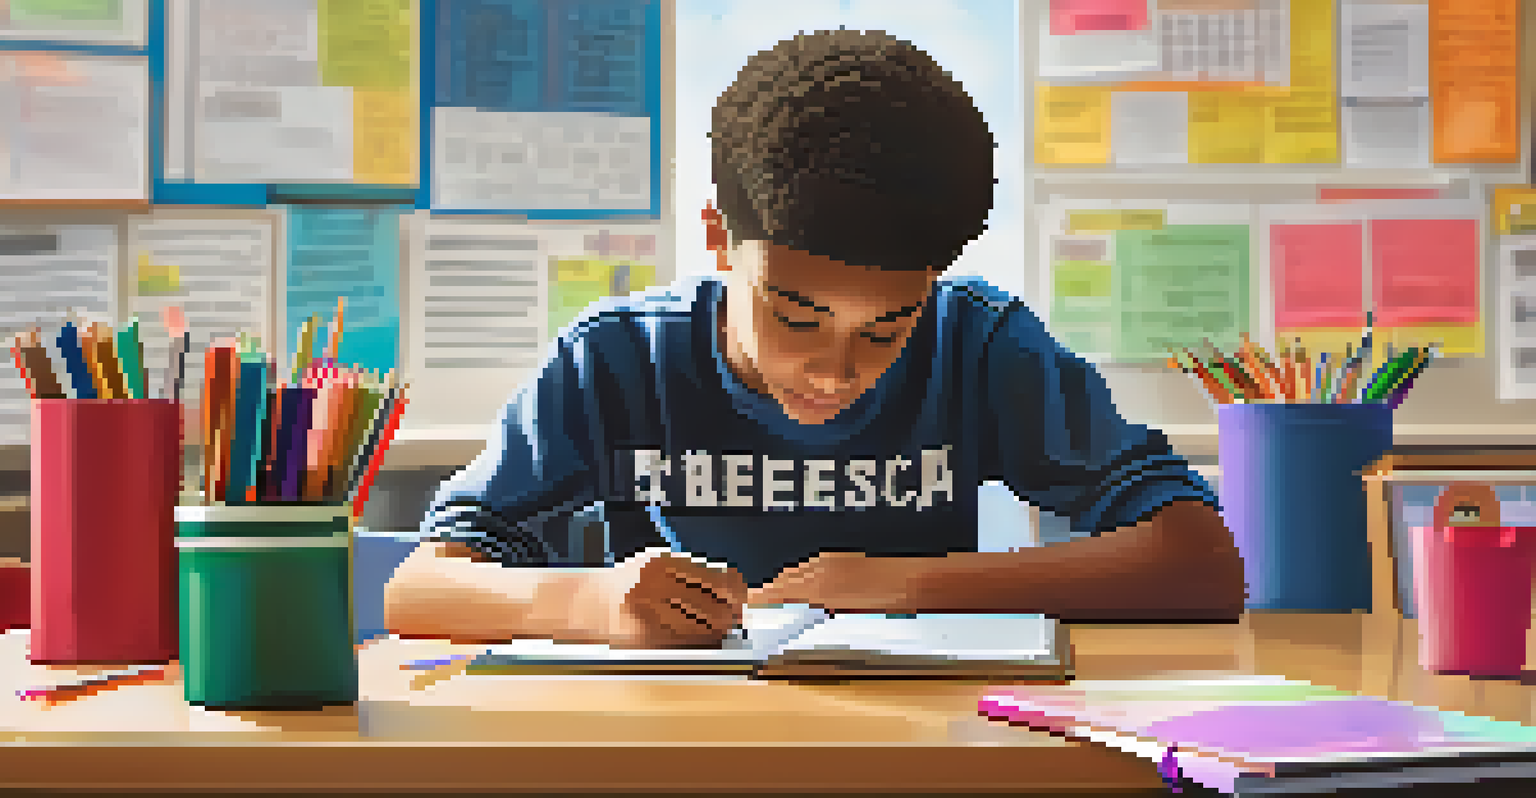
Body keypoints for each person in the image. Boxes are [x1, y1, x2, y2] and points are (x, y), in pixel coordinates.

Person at [385, 29, 1245, 648]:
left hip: (914, 742)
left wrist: (906, 587)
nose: (836, 370)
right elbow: (420, 589)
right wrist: (591, 603)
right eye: (795, 316)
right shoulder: (617, 358)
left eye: (889, 326)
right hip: (672, 739)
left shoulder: (979, 344)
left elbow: (1202, 562)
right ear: (718, 238)